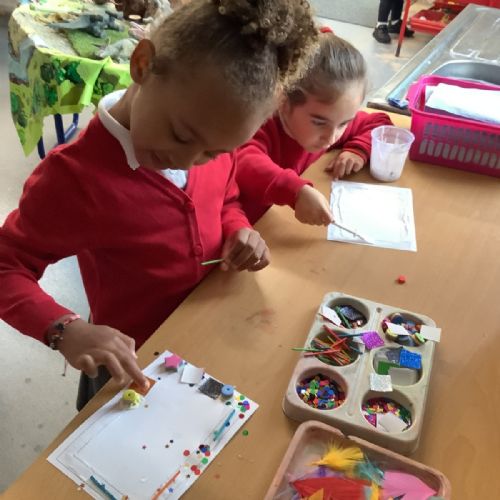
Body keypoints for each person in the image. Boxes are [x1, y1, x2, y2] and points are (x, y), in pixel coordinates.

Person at [0, 0, 317, 409]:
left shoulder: (211, 133)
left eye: (213, 152)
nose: (187, 160)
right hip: (130, 360)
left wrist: (238, 227)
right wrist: (64, 329)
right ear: (142, 64)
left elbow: (227, 197)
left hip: (204, 332)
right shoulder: (73, 180)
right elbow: (7, 265)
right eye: (181, 136)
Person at [236, 30, 392, 226]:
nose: (331, 138)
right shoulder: (257, 124)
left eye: (344, 123)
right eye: (319, 122)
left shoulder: (330, 120)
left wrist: (358, 150)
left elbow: (379, 123)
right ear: (283, 101)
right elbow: (243, 161)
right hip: (243, 229)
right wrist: (295, 191)